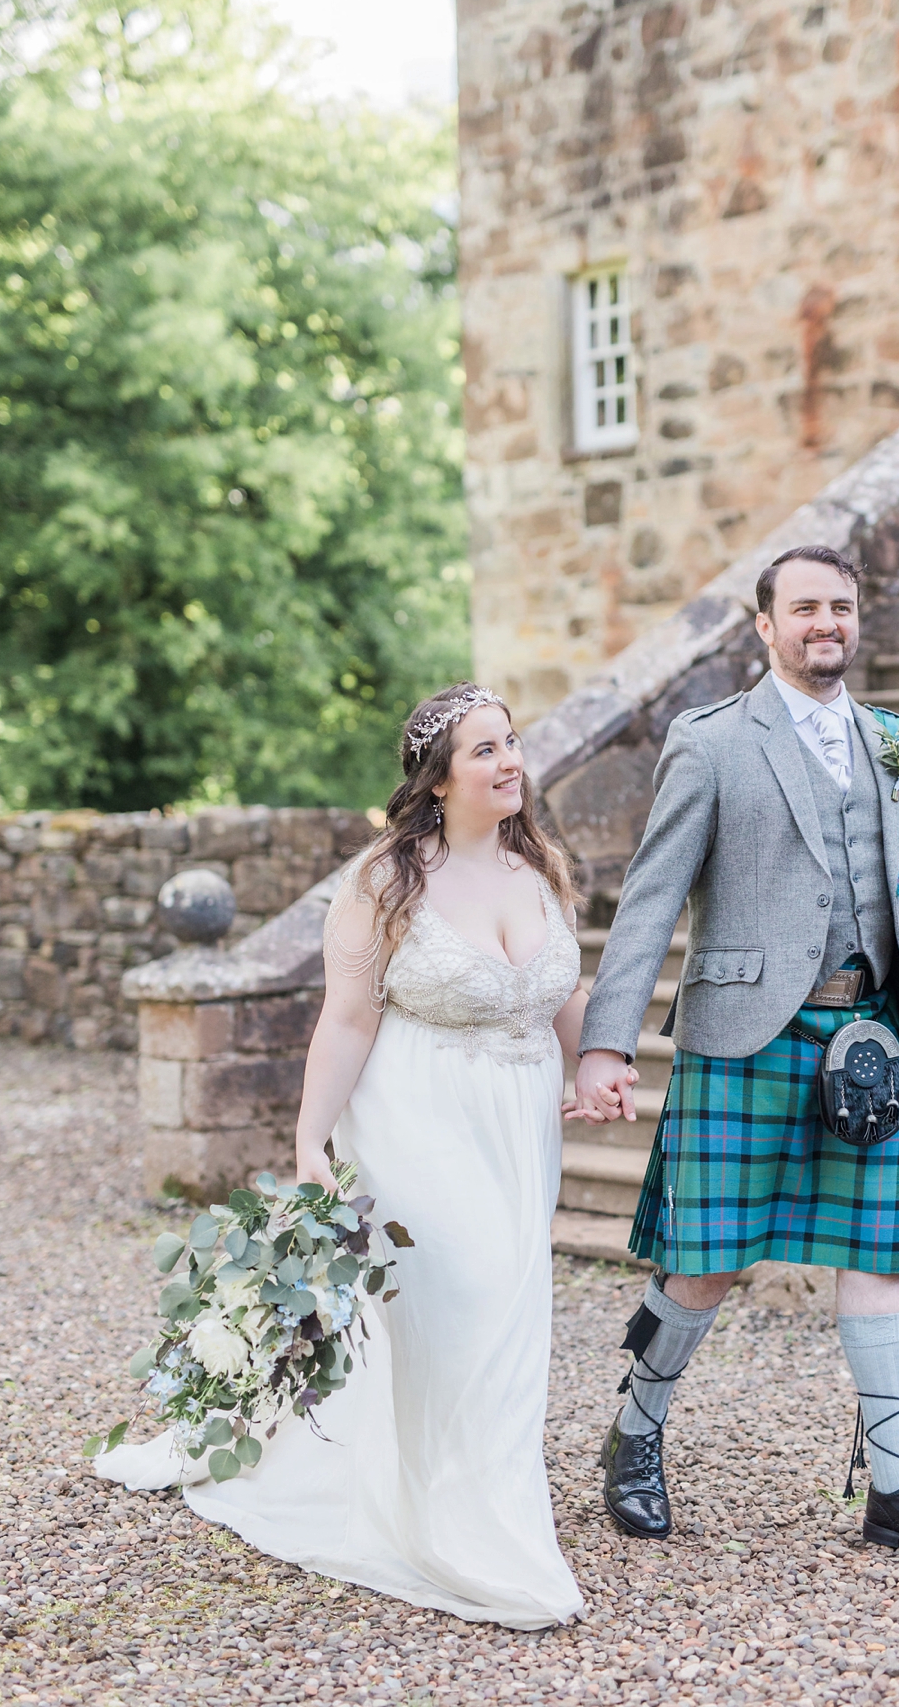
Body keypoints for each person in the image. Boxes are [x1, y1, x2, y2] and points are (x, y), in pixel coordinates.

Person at [98, 683, 622, 1628]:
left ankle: (477, 1486)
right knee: (465, 1293)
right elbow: (345, 1019)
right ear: (436, 779)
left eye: (512, 744)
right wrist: (308, 1141)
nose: (510, 763)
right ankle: (467, 1527)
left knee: (507, 1304)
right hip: (414, 1112)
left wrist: (596, 1064)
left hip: (515, 1123)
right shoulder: (385, 881)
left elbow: (559, 992)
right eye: (484, 752)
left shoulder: (537, 864)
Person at [574, 546, 899, 1570]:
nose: (828, 623)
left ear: (859, 621)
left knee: (882, 1260)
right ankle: (636, 1434)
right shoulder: (712, 742)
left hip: (870, 1041)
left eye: (842, 607)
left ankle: (896, 1486)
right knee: (707, 1265)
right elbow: (648, 897)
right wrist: (604, 1044)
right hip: (743, 1038)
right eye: (805, 607)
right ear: (764, 627)